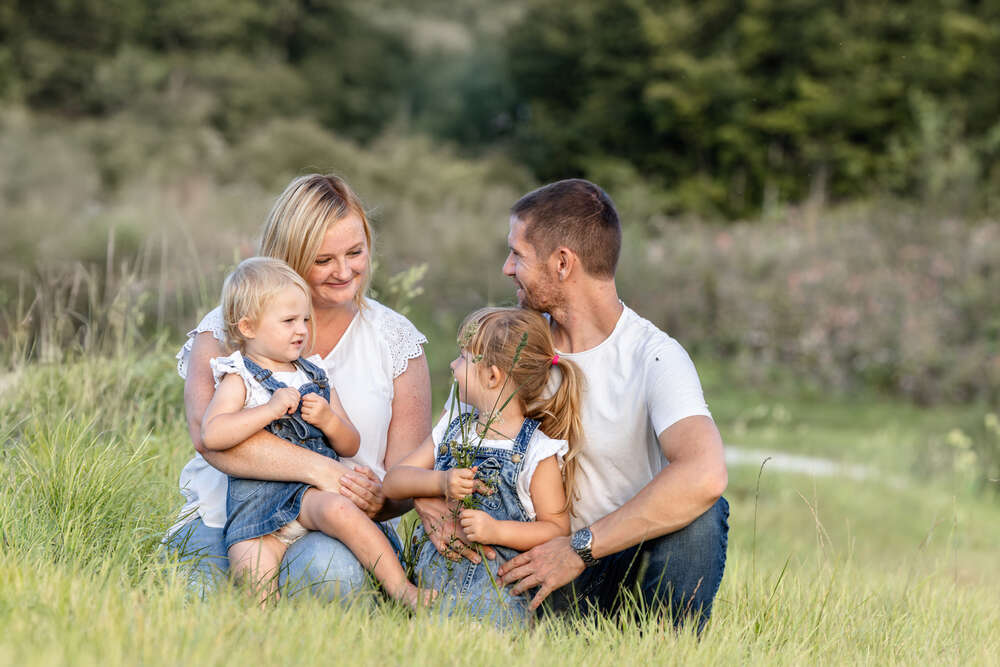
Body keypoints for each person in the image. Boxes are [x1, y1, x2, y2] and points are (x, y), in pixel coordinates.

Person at [413, 179, 729, 631]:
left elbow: (706, 472)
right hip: (523, 576)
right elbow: (444, 449)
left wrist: (579, 547)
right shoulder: (506, 349)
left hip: (615, 564)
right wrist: (429, 499)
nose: (506, 268)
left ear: (562, 263)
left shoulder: (654, 355)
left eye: (517, 254)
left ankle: (661, 647)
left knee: (704, 514)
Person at [166, 174, 431, 601]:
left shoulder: (394, 340)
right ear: (289, 256)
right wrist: (324, 471)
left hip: (332, 517)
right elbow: (208, 437)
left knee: (331, 578)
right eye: (324, 259)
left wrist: (372, 499)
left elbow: (407, 476)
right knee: (194, 598)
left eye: (355, 252)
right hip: (229, 511)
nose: (344, 272)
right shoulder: (232, 327)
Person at [199, 257, 427, 607]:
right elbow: (212, 435)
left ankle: (401, 589)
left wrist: (328, 420)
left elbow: (350, 444)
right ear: (247, 327)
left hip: (310, 498)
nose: (302, 329)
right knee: (255, 596)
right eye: (289, 321)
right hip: (255, 513)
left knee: (341, 511)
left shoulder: (314, 374)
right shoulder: (238, 376)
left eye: (305, 319)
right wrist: (268, 410)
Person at [384, 307, 583, 626]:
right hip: (428, 597)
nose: (452, 365)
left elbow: (556, 529)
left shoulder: (535, 451)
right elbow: (393, 482)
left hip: (496, 608)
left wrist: (497, 530)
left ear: (492, 375)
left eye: (463, 357)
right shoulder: (452, 427)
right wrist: (439, 483)